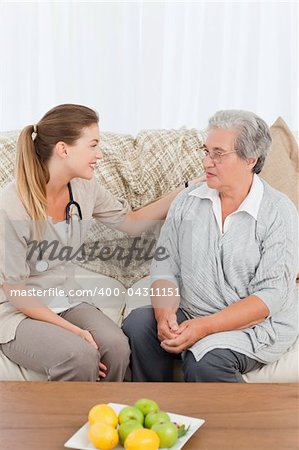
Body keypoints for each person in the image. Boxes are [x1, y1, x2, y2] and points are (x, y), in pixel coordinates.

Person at [0, 103, 192, 382]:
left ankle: (106, 418)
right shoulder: (10, 206)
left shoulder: (83, 188)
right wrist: (75, 332)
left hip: (66, 299)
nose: (99, 155)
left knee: (115, 347)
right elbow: (16, 291)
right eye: (92, 145)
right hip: (17, 312)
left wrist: (186, 190)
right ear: (64, 149)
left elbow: (131, 221)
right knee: (79, 356)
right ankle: (75, 424)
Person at [122, 109, 298, 383]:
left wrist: (204, 328)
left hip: (256, 325)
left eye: (218, 153)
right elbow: (165, 267)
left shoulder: (278, 212)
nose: (206, 162)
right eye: (205, 151)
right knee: (138, 325)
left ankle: (232, 424)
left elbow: (271, 296)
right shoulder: (188, 201)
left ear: (250, 159)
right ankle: (156, 411)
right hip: (194, 311)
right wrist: (165, 315)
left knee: (205, 359)